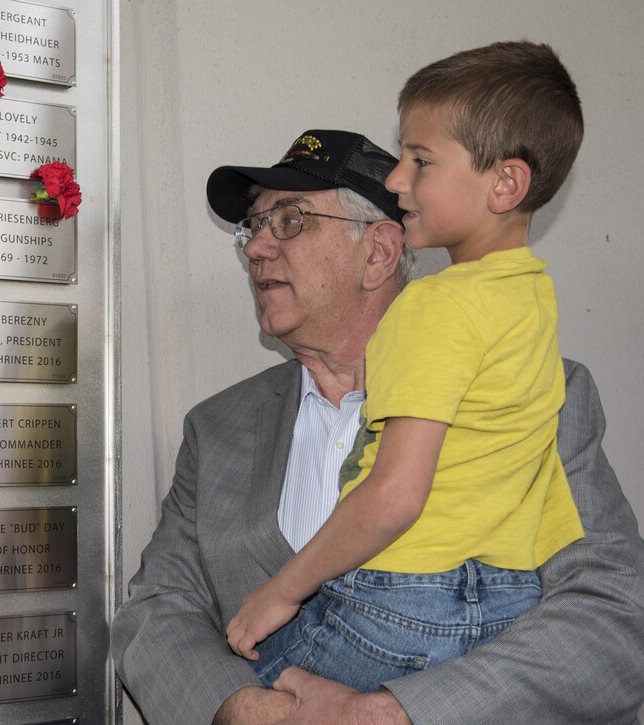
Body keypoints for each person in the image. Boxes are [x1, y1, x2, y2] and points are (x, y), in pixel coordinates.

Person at [110, 126, 644, 724]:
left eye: (289, 220)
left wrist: (392, 716)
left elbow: (613, 616)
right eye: (253, 227)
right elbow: (157, 610)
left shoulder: (537, 393)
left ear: (379, 253)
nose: (256, 247)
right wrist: (244, 712)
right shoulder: (217, 429)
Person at [225, 41, 585, 692]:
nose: (397, 180)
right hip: (508, 602)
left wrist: (280, 590)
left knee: (256, 687)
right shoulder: (534, 299)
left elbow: (394, 496)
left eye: (420, 161)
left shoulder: (433, 305)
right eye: (256, 225)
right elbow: (542, 488)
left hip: (396, 599)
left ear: (505, 183)